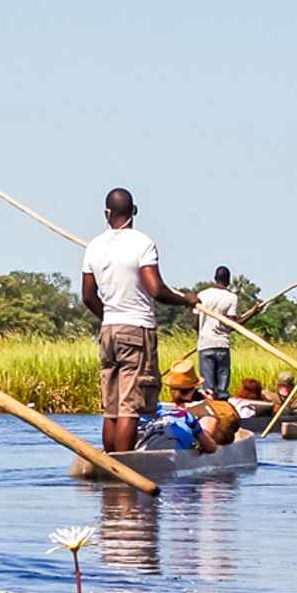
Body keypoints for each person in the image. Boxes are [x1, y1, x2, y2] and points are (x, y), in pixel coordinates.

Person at [82, 187, 195, 452]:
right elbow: (155, 289)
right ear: (134, 211)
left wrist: (110, 315)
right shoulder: (142, 243)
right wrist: (186, 299)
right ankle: (124, 469)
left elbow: (88, 296)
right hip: (136, 328)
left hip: (108, 330)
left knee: (111, 408)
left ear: (106, 214)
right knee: (129, 408)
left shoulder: (94, 246)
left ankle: (109, 464)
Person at [194, 267, 240, 398]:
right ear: (228, 280)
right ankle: (222, 413)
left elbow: (195, 323)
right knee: (222, 391)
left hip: (205, 345)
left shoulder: (202, 295)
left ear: (215, 278)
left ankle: (211, 415)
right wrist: (253, 313)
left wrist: (202, 334)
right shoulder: (231, 298)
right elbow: (232, 325)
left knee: (208, 390)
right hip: (222, 345)